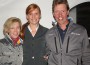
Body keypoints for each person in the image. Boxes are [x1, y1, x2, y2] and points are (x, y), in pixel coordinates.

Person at [44, 0, 90, 65]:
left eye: (63, 11)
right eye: (57, 11)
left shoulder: (81, 31)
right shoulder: (49, 34)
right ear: (53, 14)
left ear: (67, 12)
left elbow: (87, 57)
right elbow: (47, 53)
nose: (60, 15)